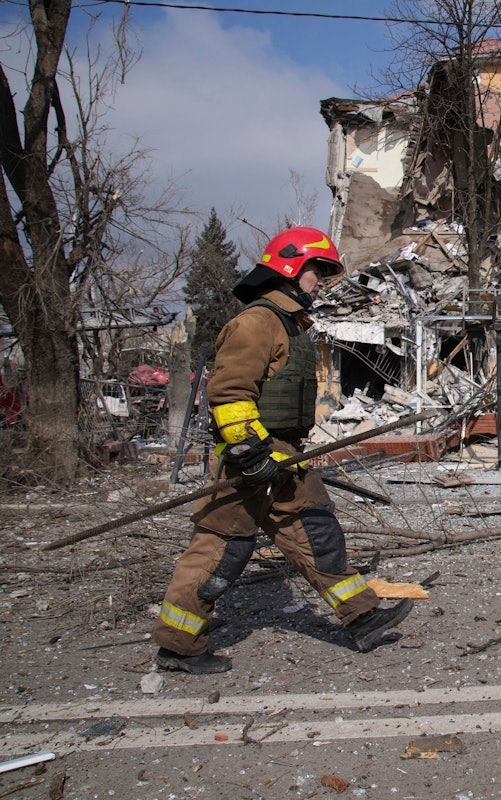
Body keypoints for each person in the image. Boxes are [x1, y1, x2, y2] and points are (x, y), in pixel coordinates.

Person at [153, 226, 412, 674]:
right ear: (291, 269)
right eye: (318, 271)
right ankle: (178, 645)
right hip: (248, 459)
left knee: (315, 529)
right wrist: (251, 454)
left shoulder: (289, 324)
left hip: (285, 455)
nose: (322, 281)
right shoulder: (256, 323)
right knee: (221, 549)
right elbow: (230, 393)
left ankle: (362, 617)